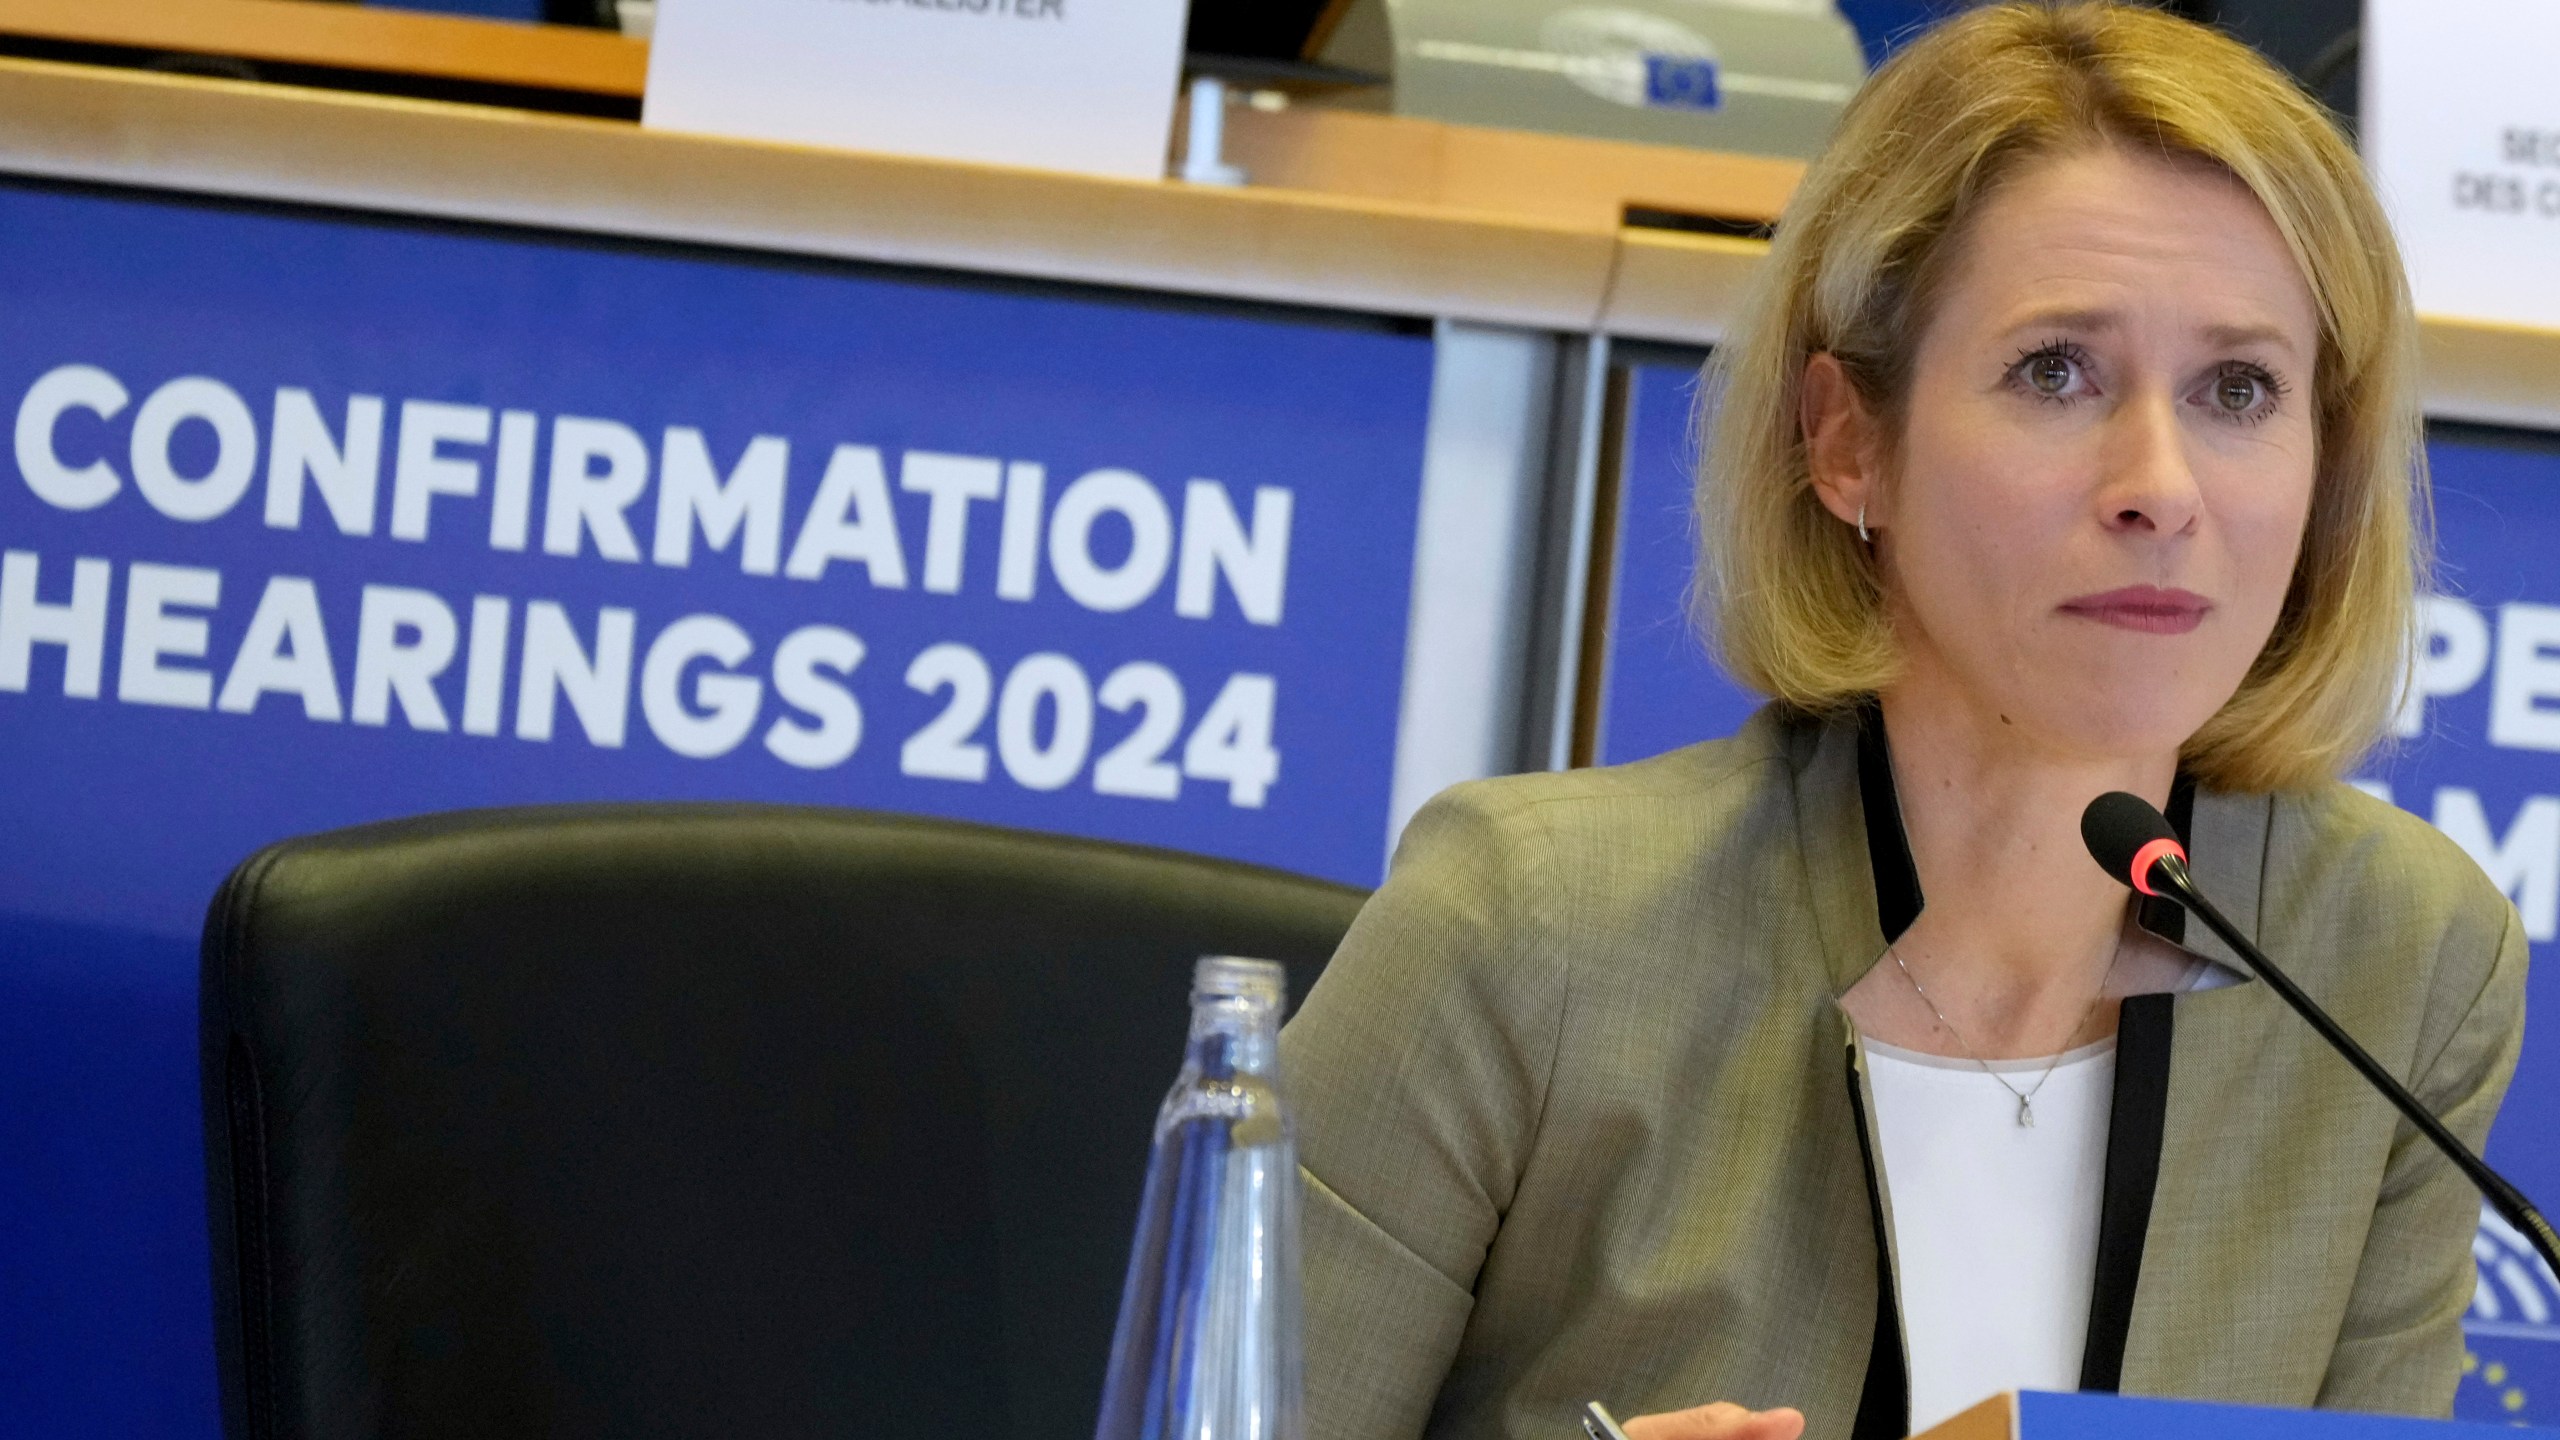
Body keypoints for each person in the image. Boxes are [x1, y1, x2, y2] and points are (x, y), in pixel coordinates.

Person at [1279, 6, 2528, 1440]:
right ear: (1847, 439)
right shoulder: (1532, 935)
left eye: (2240, 388)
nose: (2160, 486)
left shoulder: (2395, 961)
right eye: (2055, 370)